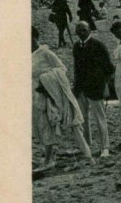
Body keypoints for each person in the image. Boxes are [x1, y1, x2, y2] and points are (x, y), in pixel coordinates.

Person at [31, 26, 94, 171]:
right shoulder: (28, 55)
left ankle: (88, 157)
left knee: (70, 122)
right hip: (38, 96)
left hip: (53, 95)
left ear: (33, 38)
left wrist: (44, 81)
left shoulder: (45, 53)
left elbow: (61, 68)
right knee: (43, 126)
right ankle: (48, 158)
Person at [72, 22, 114, 158]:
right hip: (80, 88)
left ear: (89, 30)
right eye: (78, 30)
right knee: (82, 119)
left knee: (100, 118)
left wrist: (103, 84)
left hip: (96, 88)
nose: (81, 33)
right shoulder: (76, 46)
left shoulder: (98, 45)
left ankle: (105, 147)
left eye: (84, 30)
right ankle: (86, 145)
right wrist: (76, 86)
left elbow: (109, 67)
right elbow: (76, 68)